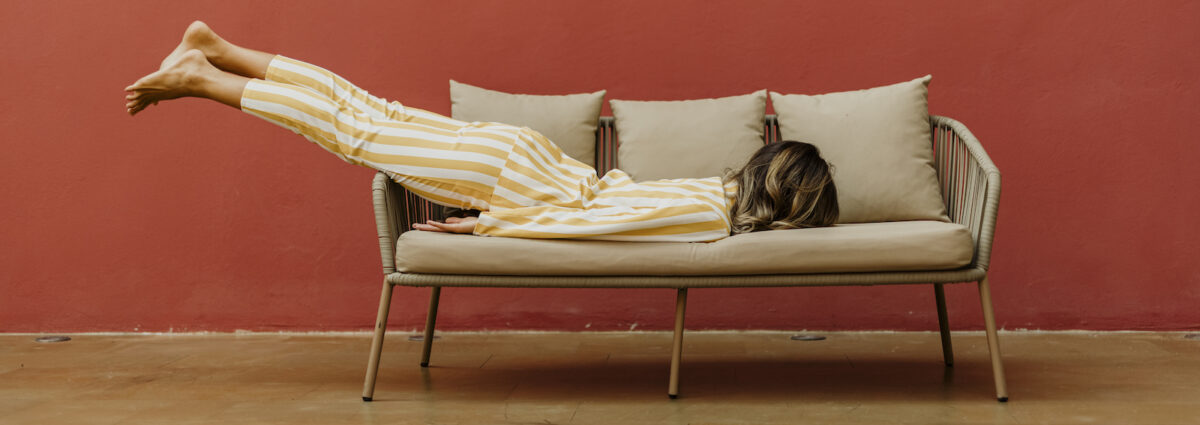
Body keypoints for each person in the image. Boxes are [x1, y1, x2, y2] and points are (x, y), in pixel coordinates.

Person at [125, 21, 839, 242]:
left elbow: (605, 203)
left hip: (526, 158)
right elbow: (602, 223)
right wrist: (485, 227)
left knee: (371, 112)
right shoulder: (712, 215)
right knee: (353, 133)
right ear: (791, 203)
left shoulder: (717, 188)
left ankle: (217, 49)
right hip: (513, 181)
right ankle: (201, 78)